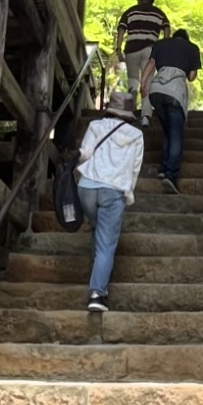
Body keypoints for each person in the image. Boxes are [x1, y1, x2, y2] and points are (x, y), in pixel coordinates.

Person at [75, 90, 146, 312]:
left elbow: (84, 154)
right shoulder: (136, 135)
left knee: (98, 229)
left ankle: (97, 268)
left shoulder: (96, 126)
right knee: (106, 243)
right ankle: (97, 294)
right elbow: (135, 168)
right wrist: (129, 192)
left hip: (86, 186)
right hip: (113, 190)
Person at [141, 27, 202, 192]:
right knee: (175, 133)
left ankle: (162, 168)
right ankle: (170, 175)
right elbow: (191, 77)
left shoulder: (160, 44)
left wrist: (143, 83)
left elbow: (151, 63)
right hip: (175, 92)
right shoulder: (192, 48)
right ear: (186, 38)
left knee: (168, 130)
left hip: (156, 90)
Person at [114, 0, 170, 113]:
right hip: (151, 51)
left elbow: (121, 30)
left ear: (138, 0)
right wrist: (165, 47)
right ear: (152, 2)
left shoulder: (130, 11)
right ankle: (146, 115)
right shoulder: (159, 13)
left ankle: (130, 108)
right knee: (148, 81)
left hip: (132, 50)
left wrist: (118, 49)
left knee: (133, 80)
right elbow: (166, 27)